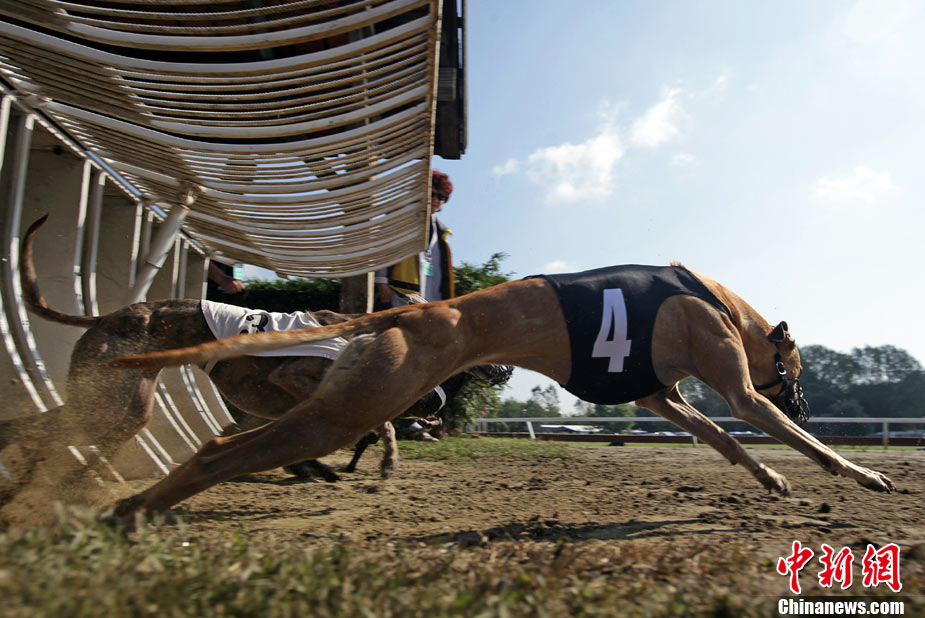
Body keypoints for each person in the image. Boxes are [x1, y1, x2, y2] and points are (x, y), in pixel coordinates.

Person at [374, 170, 455, 309]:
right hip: (397, 297)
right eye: (432, 194)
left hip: (429, 303)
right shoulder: (400, 216)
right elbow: (382, 248)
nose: (435, 200)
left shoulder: (442, 233)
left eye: (441, 197)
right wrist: (382, 284)